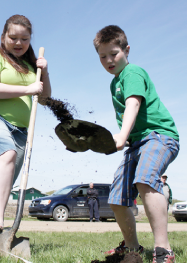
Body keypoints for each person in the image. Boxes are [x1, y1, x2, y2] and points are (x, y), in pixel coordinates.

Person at [93, 25, 179, 263]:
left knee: (145, 179)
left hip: (159, 136)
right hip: (136, 143)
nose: (109, 60)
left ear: (127, 50)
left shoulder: (133, 73)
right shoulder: (114, 83)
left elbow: (133, 104)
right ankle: (132, 249)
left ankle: (163, 250)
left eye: (114, 54)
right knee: (117, 198)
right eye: (103, 56)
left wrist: (120, 136)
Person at [0, 14, 51, 241]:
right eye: (13, 37)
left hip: (21, 130)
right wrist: (29, 89)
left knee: (4, 183)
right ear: (3, 37)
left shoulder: (31, 66)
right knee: (6, 153)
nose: (18, 43)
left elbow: (45, 98)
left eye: (24, 39)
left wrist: (44, 72)